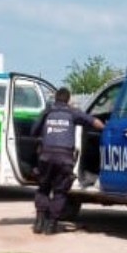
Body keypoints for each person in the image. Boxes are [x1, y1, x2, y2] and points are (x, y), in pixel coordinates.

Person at [30, 87, 104, 235]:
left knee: (43, 188)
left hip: (45, 157)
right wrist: (107, 128)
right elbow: (94, 122)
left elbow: (33, 131)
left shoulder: (47, 112)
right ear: (68, 100)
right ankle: (51, 225)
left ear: (55, 98)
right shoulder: (72, 112)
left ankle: (39, 222)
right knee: (60, 191)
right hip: (64, 159)